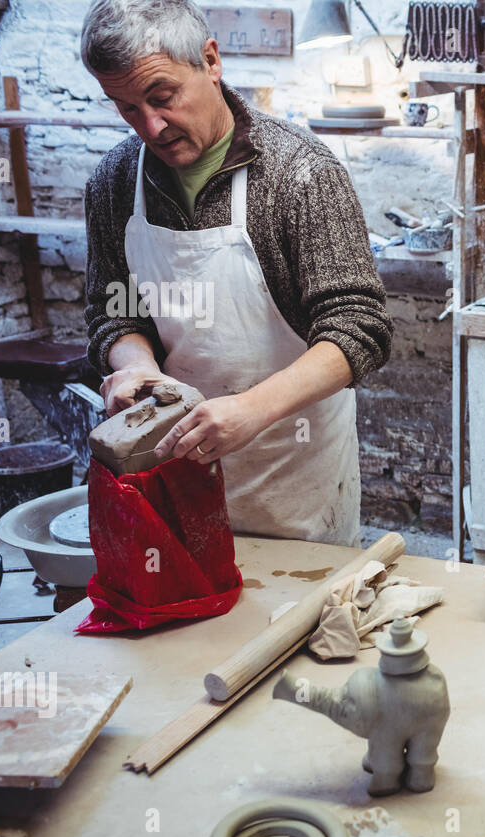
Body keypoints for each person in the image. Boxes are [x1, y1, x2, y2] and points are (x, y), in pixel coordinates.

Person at [80, 0, 392, 546]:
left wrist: (251, 410)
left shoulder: (301, 174)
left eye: (162, 98)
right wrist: (133, 367)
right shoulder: (114, 181)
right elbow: (115, 310)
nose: (150, 126)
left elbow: (358, 329)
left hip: (289, 478)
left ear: (210, 60)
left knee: (294, 624)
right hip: (169, 467)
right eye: (127, 109)